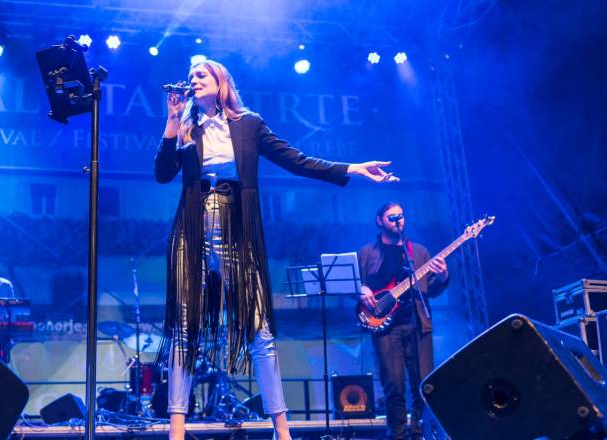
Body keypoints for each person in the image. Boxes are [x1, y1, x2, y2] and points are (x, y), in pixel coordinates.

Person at [155, 59, 400, 440]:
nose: (193, 80)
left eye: (201, 75)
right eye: (190, 77)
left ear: (221, 82)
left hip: (237, 227)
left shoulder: (248, 124)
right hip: (192, 226)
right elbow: (162, 173)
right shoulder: (187, 126)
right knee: (184, 327)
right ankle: (176, 431)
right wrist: (172, 122)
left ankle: (281, 430)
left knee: (259, 329)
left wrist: (352, 168)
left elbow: (296, 160)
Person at [358, 202, 449, 439]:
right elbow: (353, 285)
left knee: (424, 385)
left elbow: (431, 290)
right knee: (394, 386)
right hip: (386, 328)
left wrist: (443, 276)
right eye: (392, 217)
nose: (398, 220)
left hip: (418, 324)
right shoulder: (366, 253)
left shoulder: (418, 252)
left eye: (401, 216)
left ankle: (421, 433)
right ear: (379, 221)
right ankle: (397, 435)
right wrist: (360, 289)